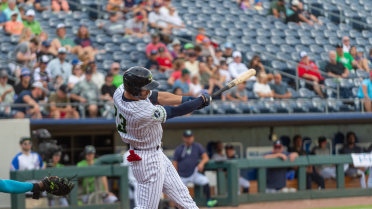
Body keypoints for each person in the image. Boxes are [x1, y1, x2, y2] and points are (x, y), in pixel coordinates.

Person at [113, 66, 211, 209]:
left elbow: (159, 96)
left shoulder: (121, 90)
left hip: (153, 153)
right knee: (147, 207)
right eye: (145, 88)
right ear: (134, 90)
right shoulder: (140, 111)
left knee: (184, 198)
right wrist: (197, 103)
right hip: (146, 159)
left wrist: (188, 99)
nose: (148, 91)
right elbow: (175, 111)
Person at [173, 130, 217, 207]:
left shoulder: (197, 146)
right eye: (187, 137)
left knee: (205, 181)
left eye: (190, 137)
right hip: (181, 176)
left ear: (193, 137)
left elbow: (206, 157)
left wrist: (202, 163)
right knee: (178, 191)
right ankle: (179, 206)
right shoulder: (179, 148)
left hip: (194, 173)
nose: (189, 139)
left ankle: (209, 201)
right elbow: (175, 162)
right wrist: (176, 176)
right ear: (184, 138)